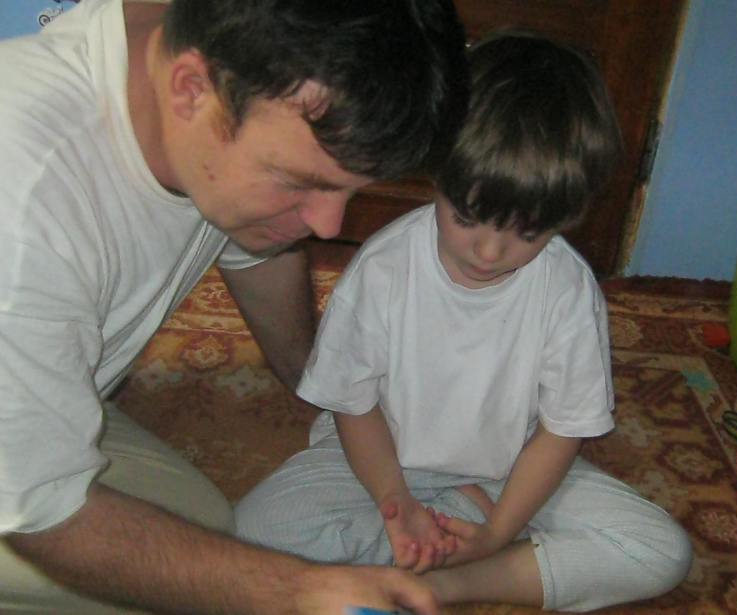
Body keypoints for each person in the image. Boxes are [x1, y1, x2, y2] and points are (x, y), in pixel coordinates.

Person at [0, 0, 467, 613]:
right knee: (195, 582)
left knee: (208, 533)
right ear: (191, 89)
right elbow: (43, 514)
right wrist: (299, 591)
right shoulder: (21, 209)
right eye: (301, 182)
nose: (328, 225)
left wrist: (322, 382)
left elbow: (254, 248)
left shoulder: (207, 49)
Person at [235, 32, 693, 612]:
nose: (490, 252)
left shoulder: (568, 289)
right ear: (439, 176)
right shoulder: (384, 266)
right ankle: (436, 539)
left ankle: (441, 581)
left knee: (659, 549)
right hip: (380, 460)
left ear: (566, 217)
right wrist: (396, 504)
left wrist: (499, 531)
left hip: (508, 472)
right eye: (469, 216)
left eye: (528, 231)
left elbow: (561, 432)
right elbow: (355, 405)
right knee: (253, 533)